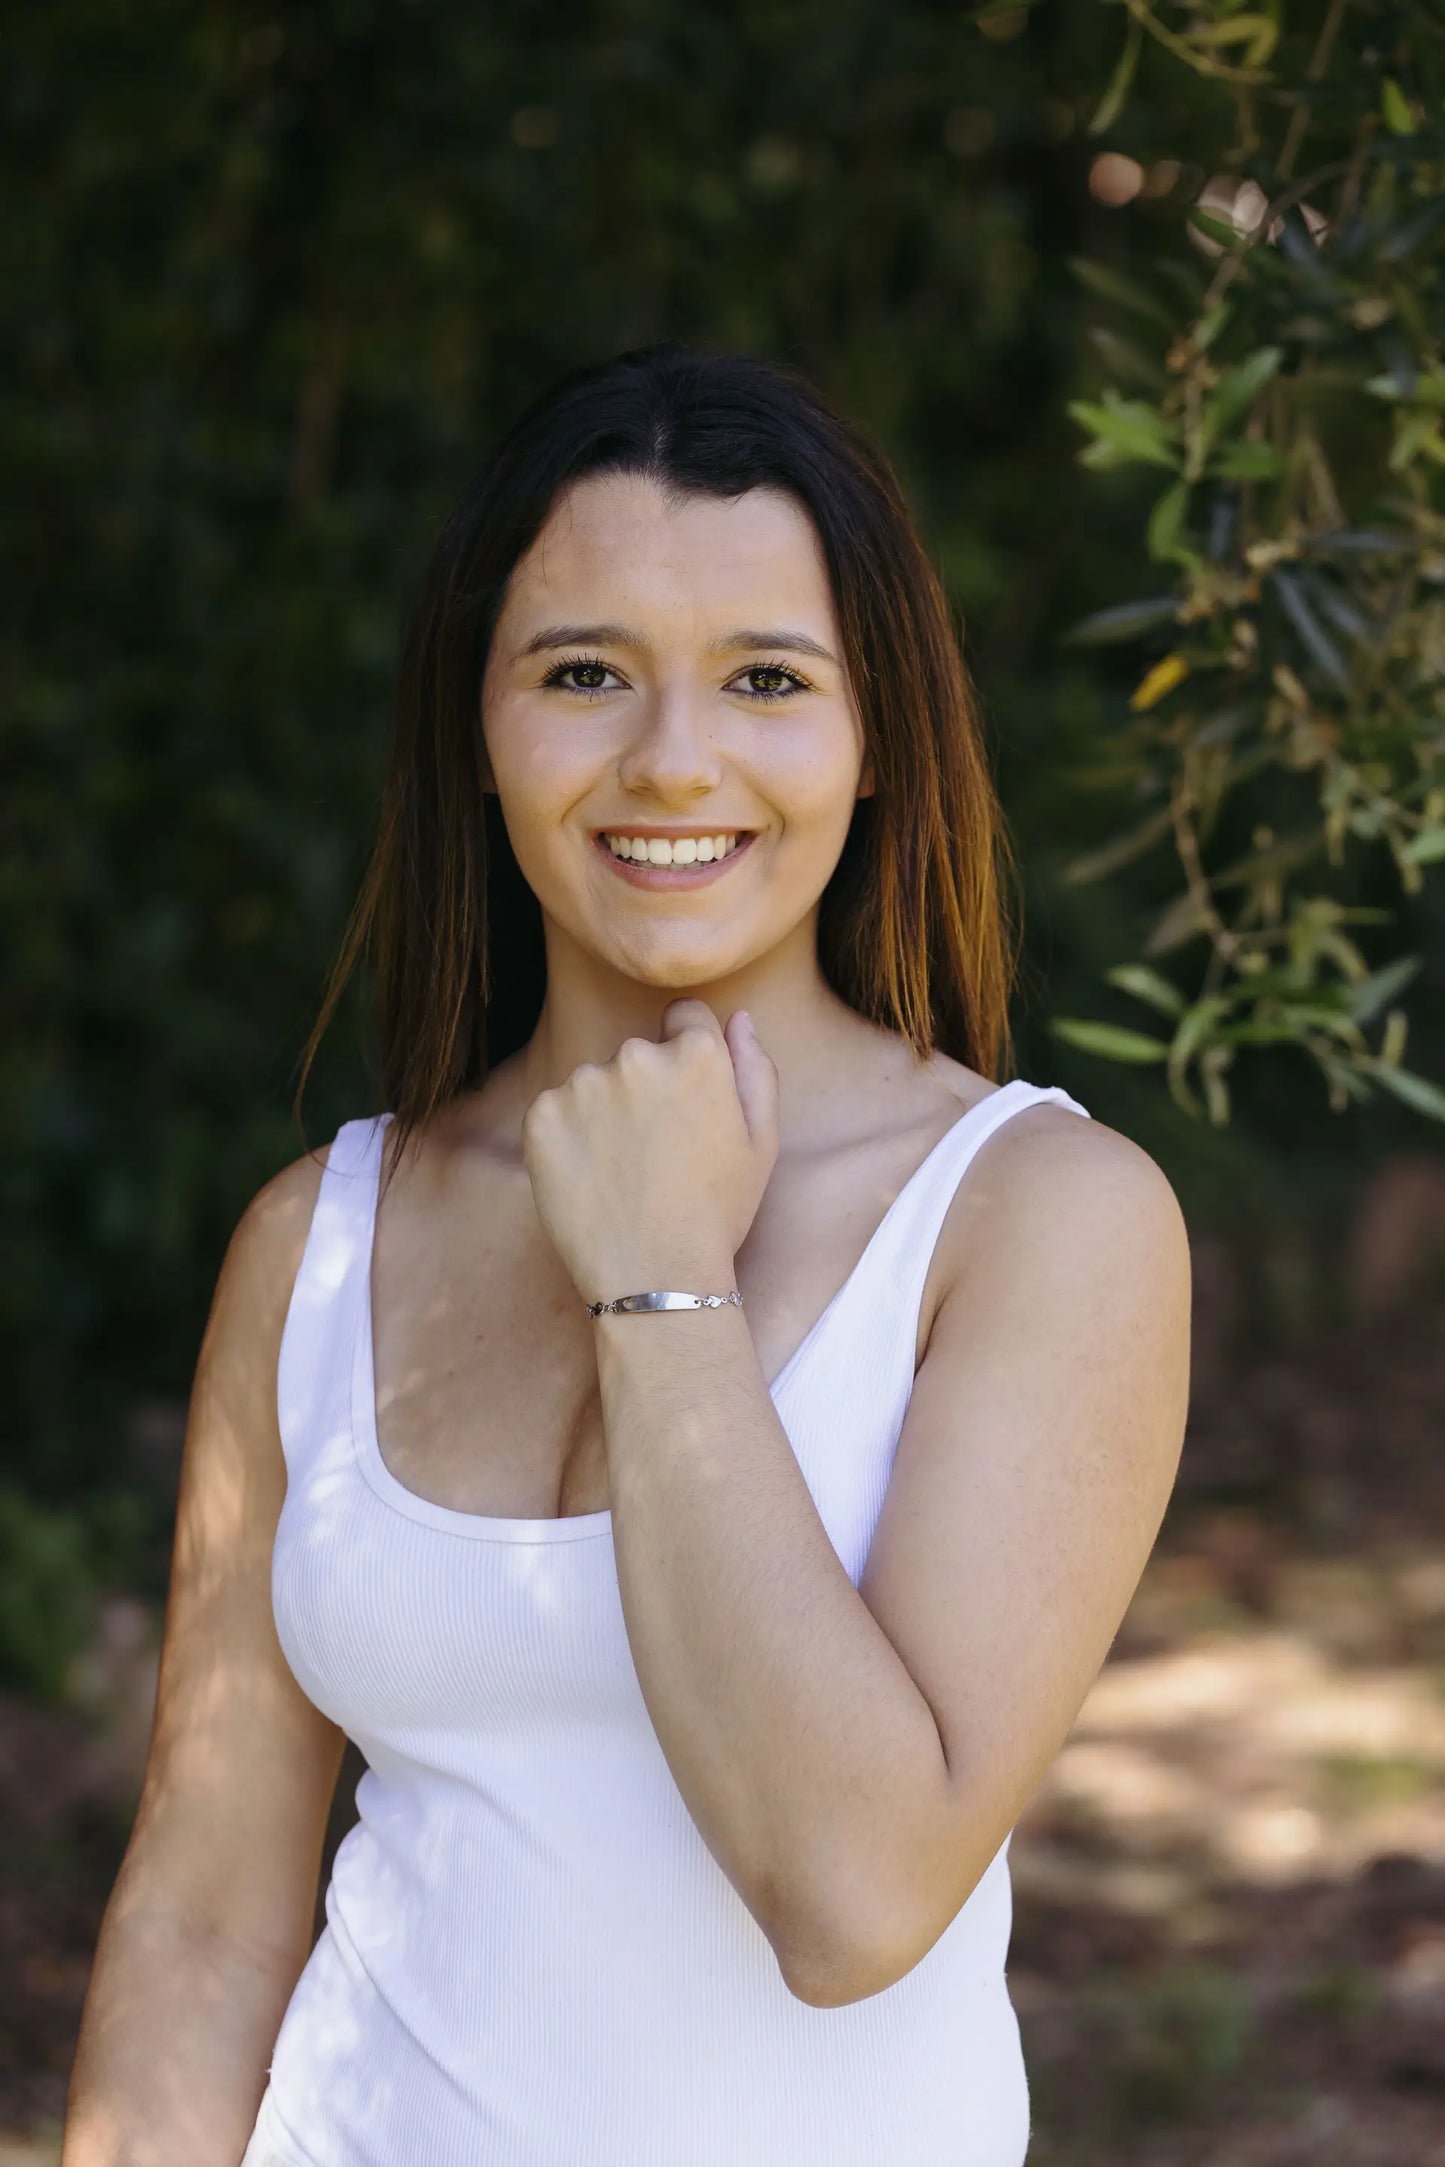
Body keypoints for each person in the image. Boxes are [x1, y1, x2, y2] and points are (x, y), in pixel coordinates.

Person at [62, 343, 1192, 2167]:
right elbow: (205, 1907)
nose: (674, 761)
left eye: (766, 678)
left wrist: (659, 1280)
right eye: (583, 674)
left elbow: (849, 1896)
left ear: (874, 733)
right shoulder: (317, 1242)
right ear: (478, 726)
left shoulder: (1038, 1216)